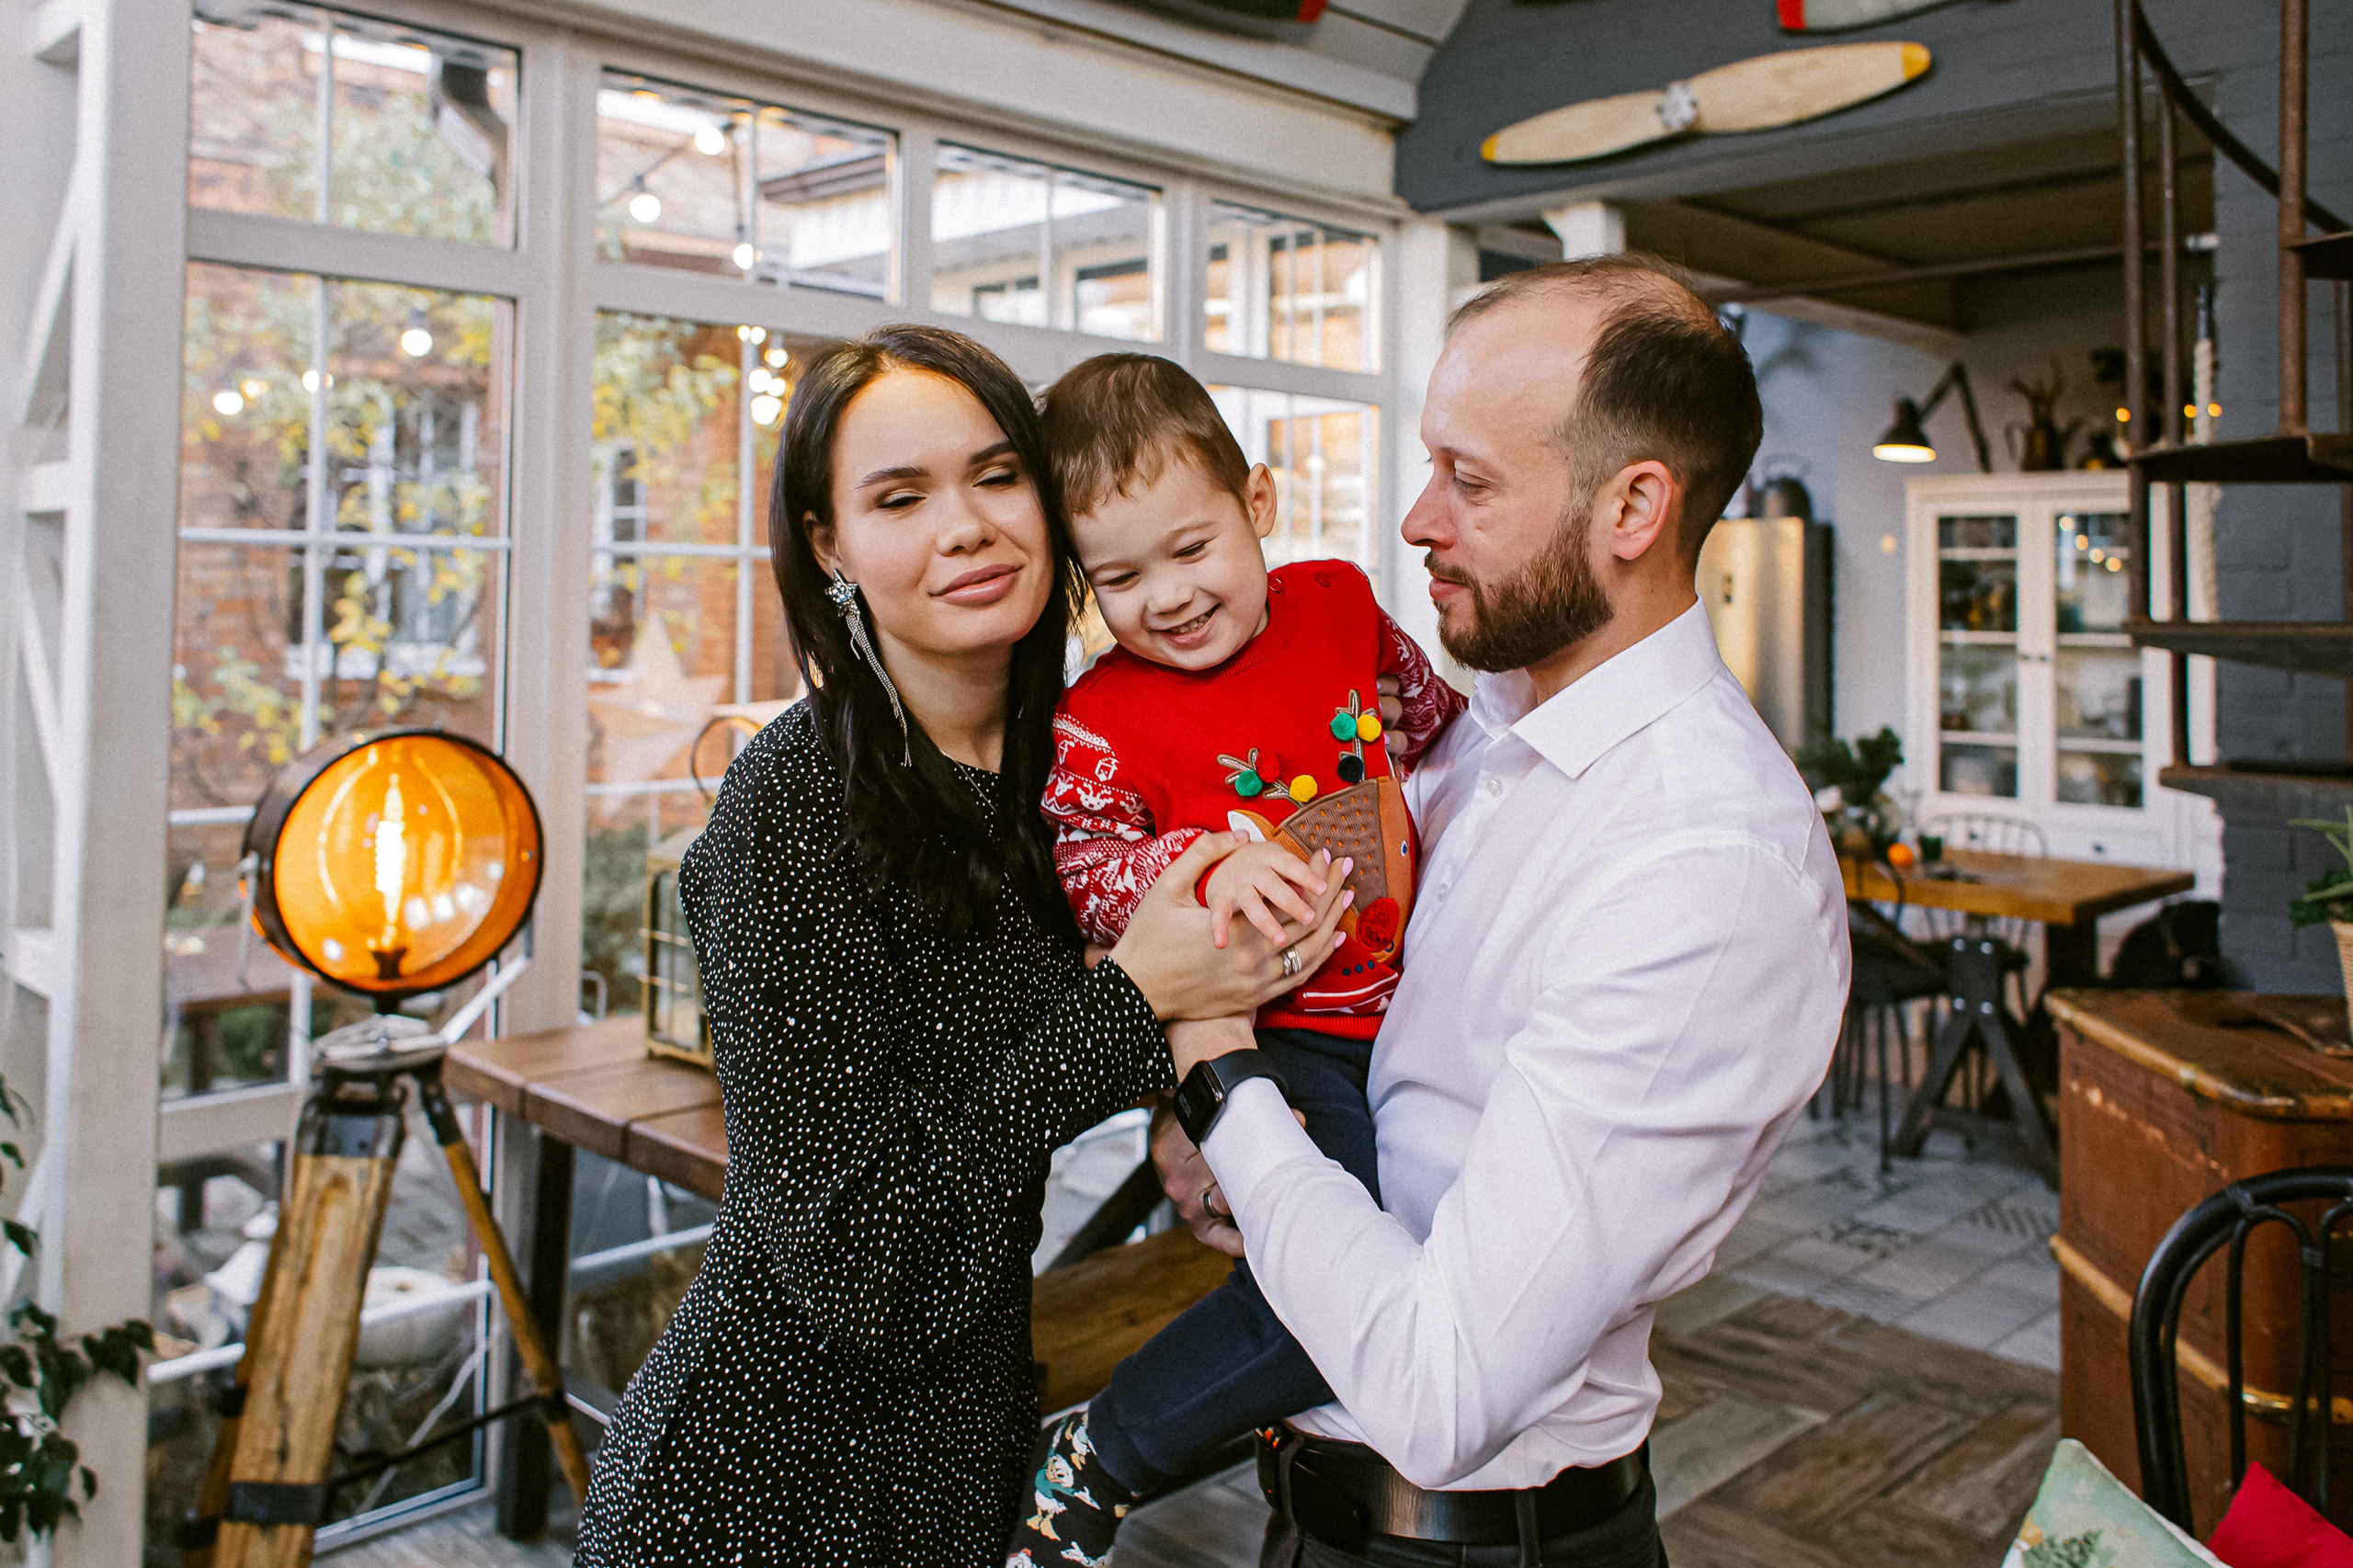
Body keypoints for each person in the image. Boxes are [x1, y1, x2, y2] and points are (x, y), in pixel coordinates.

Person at [572, 324, 1351, 1568]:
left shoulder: (1080, 761)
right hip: (765, 1479)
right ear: (830, 548)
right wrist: (1136, 1008)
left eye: (998, 476)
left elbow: (1069, 1023)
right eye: (900, 496)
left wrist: (1178, 1102)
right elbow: (861, 1258)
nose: (969, 525)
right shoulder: (791, 808)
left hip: (969, 1440)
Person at [1154, 255, 1852, 1567]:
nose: (1418, 519)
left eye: (1470, 480)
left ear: (1633, 504)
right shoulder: (1470, 746)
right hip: (1311, 1514)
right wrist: (1222, 1139)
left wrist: (1212, 1068)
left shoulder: (1703, 861)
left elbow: (1439, 1390)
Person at [1003, 355, 1465, 1567]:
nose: (1166, 595)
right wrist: (1193, 860)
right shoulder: (1097, 721)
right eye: (1118, 577)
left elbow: (1426, 717)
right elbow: (1082, 869)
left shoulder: (1338, 602)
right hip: (1278, 1032)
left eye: (1190, 548)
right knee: (1339, 1295)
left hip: (1408, 1009)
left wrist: (1418, 734)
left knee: (1382, 1284)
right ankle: (1107, 1449)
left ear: (1257, 504)